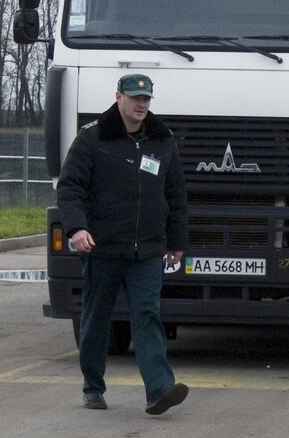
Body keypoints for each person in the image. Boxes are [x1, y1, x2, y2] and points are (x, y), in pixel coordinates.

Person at [56, 73, 190, 415]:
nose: (141, 104)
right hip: (103, 248)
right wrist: (76, 229)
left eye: (146, 99)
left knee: (147, 315)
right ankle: (93, 386)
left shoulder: (163, 140)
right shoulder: (93, 138)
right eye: (134, 98)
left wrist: (177, 240)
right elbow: (70, 188)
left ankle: (159, 390)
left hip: (147, 249)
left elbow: (175, 195)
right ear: (118, 97)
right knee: (97, 317)